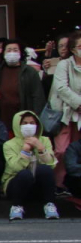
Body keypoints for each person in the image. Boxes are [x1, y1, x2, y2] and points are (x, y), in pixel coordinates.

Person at [1, 111, 59, 220]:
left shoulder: (45, 140)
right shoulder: (9, 144)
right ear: (18, 125)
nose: (29, 126)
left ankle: (49, 205)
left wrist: (41, 149)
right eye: (25, 123)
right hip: (16, 185)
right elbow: (16, 168)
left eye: (32, 123)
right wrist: (25, 151)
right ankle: (16, 206)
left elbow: (51, 165)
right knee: (24, 174)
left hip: (38, 185)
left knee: (44, 169)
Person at [0, 39, 45, 133]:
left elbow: (38, 97)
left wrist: (35, 118)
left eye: (15, 50)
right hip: (3, 119)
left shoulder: (30, 72)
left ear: (21, 53)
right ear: (3, 53)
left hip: (25, 121)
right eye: (8, 50)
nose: (12, 53)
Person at [49, 31, 81, 193]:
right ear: (73, 49)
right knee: (61, 150)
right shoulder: (64, 65)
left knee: (76, 151)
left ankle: (73, 184)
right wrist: (79, 103)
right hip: (65, 114)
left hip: (80, 117)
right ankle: (57, 184)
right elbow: (61, 88)